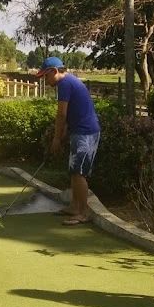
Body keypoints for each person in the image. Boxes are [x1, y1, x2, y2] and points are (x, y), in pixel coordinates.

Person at [35, 57, 100, 226]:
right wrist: (63, 134)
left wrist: (57, 139)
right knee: (74, 171)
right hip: (79, 131)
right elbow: (68, 114)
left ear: (54, 71)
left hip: (86, 133)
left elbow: (61, 114)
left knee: (79, 173)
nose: (45, 80)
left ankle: (83, 212)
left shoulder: (65, 84)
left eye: (46, 76)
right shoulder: (69, 81)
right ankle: (75, 206)